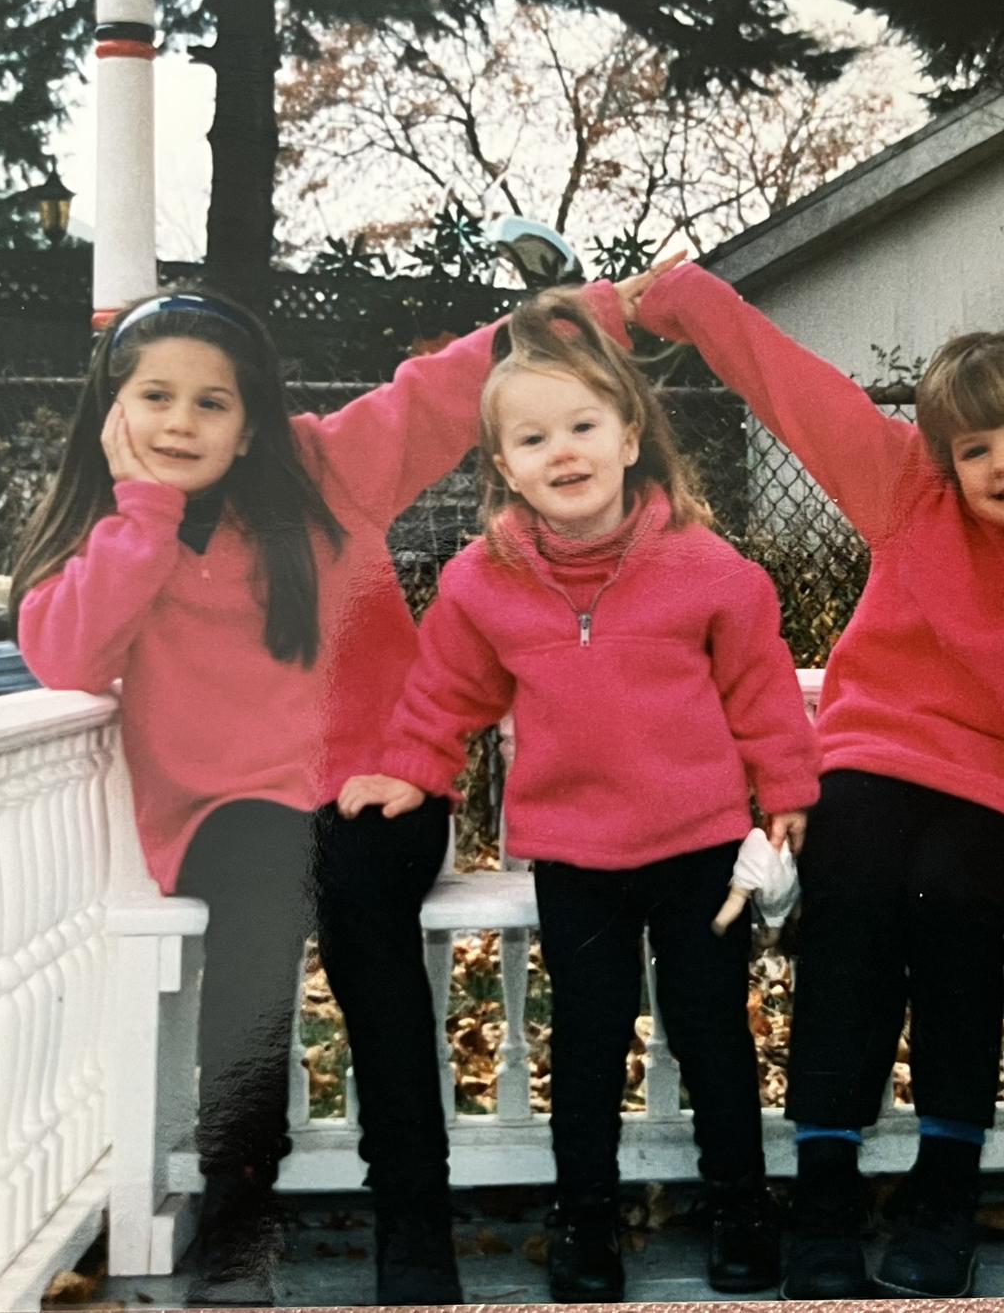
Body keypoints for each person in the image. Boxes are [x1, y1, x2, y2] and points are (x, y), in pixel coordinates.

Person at [10, 278, 635, 1306]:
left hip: (380, 785)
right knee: (258, 916)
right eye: (155, 397)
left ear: (252, 423)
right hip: (225, 810)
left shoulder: (325, 468)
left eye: (211, 402)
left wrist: (611, 305)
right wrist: (148, 511)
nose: (180, 421)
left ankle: (412, 1224)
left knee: (358, 913)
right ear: (110, 411)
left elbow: (444, 386)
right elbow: (69, 657)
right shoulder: (110, 529)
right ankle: (238, 1216)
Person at [633, 263, 1004, 1299]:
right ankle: (825, 1194)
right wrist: (688, 299)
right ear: (944, 460)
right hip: (870, 762)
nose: (1002, 462)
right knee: (849, 895)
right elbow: (800, 395)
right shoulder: (909, 498)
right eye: (974, 448)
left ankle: (944, 1196)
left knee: (945, 901)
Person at [339, 288, 820, 1302]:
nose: (561, 451)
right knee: (588, 1040)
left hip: (698, 847)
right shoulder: (483, 583)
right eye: (531, 436)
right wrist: (410, 772)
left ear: (630, 435)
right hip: (574, 856)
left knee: (709, 1031)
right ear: (501, 463)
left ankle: (740, 1207)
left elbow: (762, 690)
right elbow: (444, 698)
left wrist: (785, 791)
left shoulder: (707, 570)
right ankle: (584, 1221)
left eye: (582, 426)